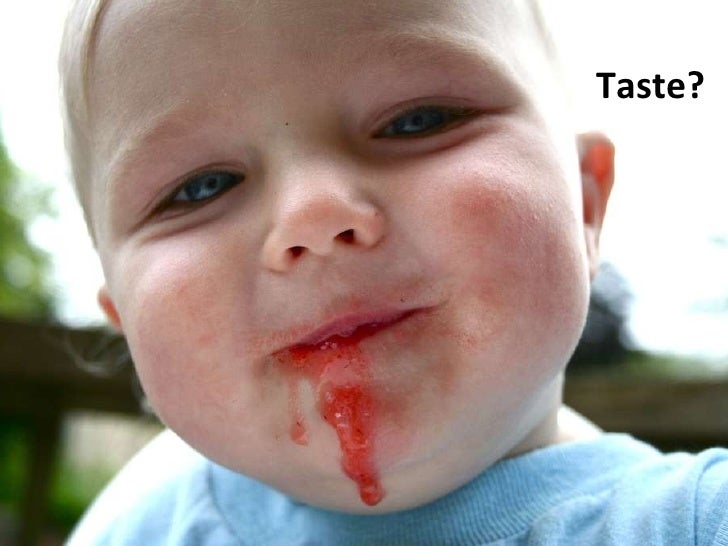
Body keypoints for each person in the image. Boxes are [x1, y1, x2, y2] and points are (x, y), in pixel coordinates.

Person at [60, 0, 727, 544]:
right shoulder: (138, 523)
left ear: (584, 204)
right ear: (126, 324)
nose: (313, 216)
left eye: (418, 121)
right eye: (200, 188)